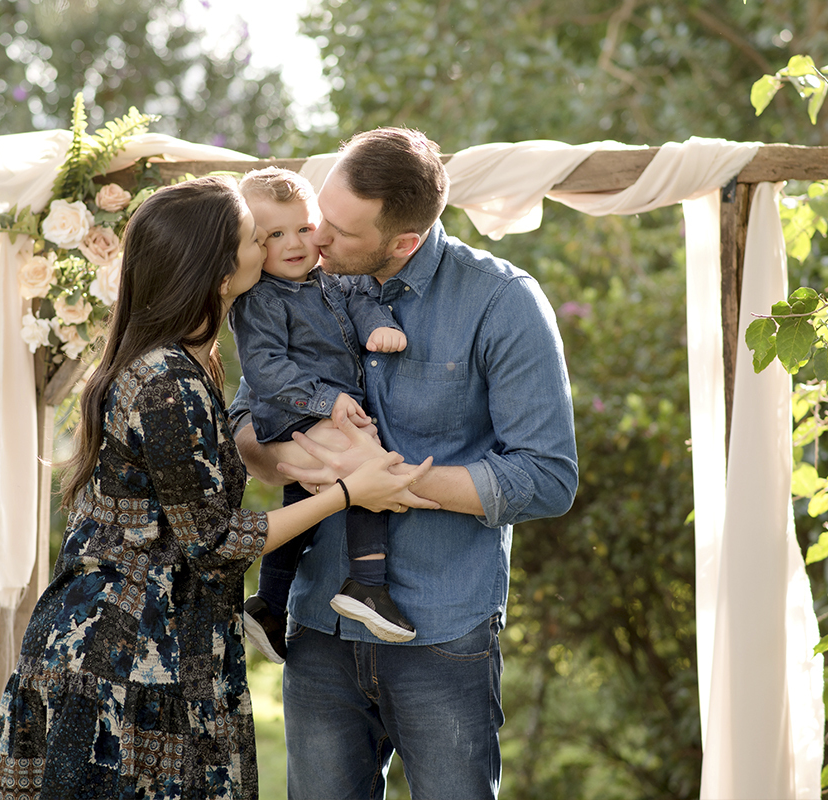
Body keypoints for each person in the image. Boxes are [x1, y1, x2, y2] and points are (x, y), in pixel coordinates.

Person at [0, 175, 436, 800]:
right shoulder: (167, 381)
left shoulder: (189, 359)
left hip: (161, 642)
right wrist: (350, 492)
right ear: (222, 273)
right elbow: (216, 543)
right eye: (257, 236)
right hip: (129, 660)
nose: (282, 245)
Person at [231, 129, 578, 799]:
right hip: (318, 630)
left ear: (404, 243)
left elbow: (548, 476)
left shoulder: (502, 303)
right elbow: (246, 422)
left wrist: (406, 488)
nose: (315, 240)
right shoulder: (299, 284)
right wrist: (288, 460)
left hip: (443, 632)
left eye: (336, 229)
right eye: (315, 217)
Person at [229, 167, 416, 664]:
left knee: (305, 494)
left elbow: (362, 304)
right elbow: (265, 369)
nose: (293, 243)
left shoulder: (331, 279)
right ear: (251, 243)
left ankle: (269, 601)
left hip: (324, 410)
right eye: (274, 235)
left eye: (303, 228)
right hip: (295, 409)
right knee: (365, 465)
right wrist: (323, 401)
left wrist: (380, 326)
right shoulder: (259, 300)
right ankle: (367, 582)